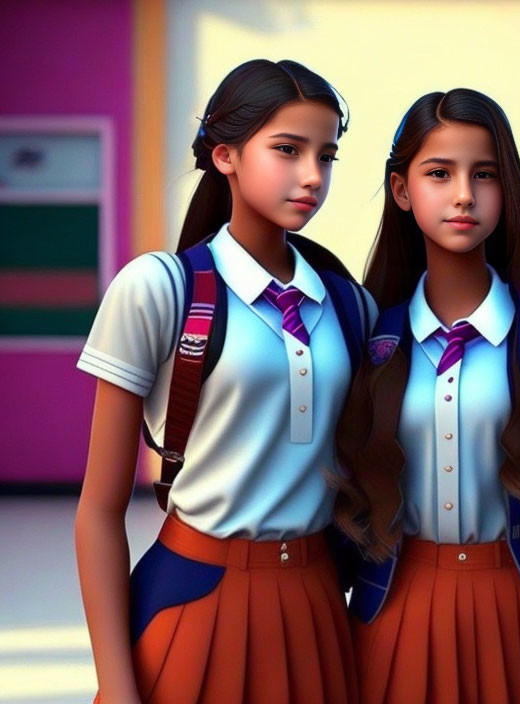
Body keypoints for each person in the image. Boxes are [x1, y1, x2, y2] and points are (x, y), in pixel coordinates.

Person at [74, 58, 372, 704]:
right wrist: (116, 684)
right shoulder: (159, 289)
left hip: (317, 606)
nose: (312, 177)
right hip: (193, 598)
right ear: (225, 155)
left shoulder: (348, 305)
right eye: (288, 151)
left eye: (327, 156)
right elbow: (98, 510)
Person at [332, 88, 520, 704]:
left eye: (484, 175)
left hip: (517, 609)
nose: (463, 195)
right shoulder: (370, 342)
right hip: (389, 606)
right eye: (438, 174)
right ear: (402, 191)